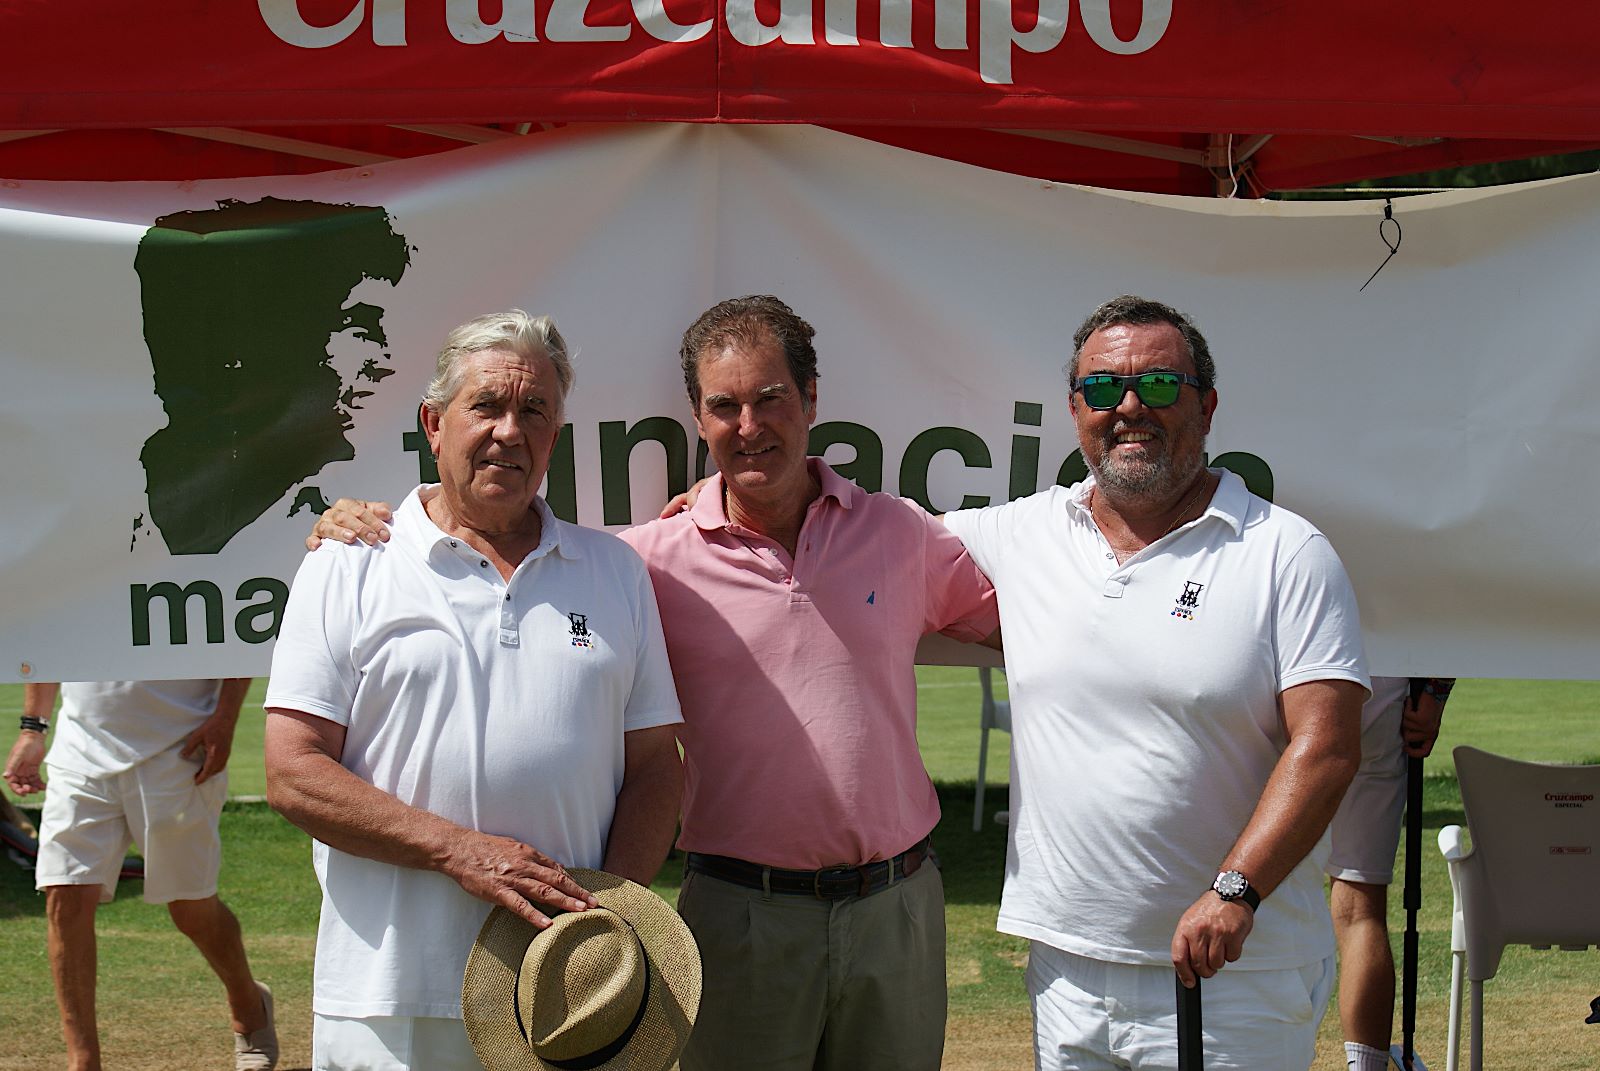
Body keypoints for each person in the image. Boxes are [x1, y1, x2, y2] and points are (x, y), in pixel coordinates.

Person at [309, 295, 1000, 1071]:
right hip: (742, 915)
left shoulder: (899, 532)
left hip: (896, 907)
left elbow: (1038, 615)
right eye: (724, 406)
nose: (749, 426)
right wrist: (363, 521)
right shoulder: (644, 561)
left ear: (811, 400)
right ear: (698, 421)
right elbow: (489, 536)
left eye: (770, 398)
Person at [941, 295, 1369, 1070]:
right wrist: (721, 497)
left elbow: (1329, 746)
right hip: (1066, 971)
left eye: (1160, 387)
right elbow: (858, 532)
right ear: (1076, 411)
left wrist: (1236, 891)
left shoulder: (1287, 552)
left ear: (1206, 407)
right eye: (1104, 390)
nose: (1130, 407)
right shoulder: (1020, 533)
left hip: (1234, 973)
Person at [264, 310, 684, 1070]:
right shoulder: (350, 562)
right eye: (486, 405)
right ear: (433, 421)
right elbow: (293, 771)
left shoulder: (615, 570)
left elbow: (657, 764)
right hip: (388, 1003)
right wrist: (458, 849)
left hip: (561, 1002)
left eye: (534, 412)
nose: (509, 431)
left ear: (555, 435)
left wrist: (604, 923)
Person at [3, 679, 277, 1071]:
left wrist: (226, 718)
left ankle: (249, 1002)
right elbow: (49, 641)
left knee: (191, 908)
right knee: (64, 895)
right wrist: (33, 728)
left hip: (182, 748)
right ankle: (83, 1061)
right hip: (79, 752)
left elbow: (227, 639)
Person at [1328, 675, 1453, 1071]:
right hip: (1381, 688)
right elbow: (1446, 610)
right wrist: (1434, 693)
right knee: (1359, 910)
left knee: (1264, 894)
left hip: (1289, 676)